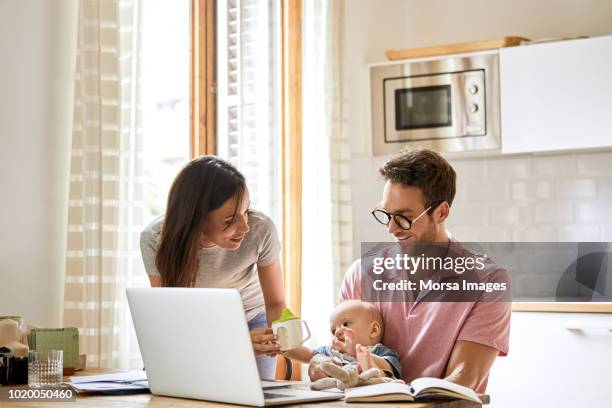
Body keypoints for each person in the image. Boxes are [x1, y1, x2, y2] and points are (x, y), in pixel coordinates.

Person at [310, 148, 510, 393]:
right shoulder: (361, 275)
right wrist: (322, 363)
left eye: (404, 217)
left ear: (441, 212)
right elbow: (341, 356)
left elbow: (463, 378)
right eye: (387, 215)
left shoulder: (487, 281)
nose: (392, 229)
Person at [140, 156, 284, 379]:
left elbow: (276, 303)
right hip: (195, 327)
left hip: (252, 320)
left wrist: (285, 337)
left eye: (246, 211)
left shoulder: (260, 230)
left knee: (257, 396)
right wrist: (236, 342)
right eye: (229, 220)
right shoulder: (156, 239)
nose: (244, 226)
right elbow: (171, 320)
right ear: (196, 218)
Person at [283, 300, 401, 379]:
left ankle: (370, 371)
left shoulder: (380, 352)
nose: (338, 332)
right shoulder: (331, 351)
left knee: (383, 376)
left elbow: (390, 368)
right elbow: (307, 354)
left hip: (374, 396)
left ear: (373, 330)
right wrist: (280, 345)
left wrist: (357, 352)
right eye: (333, 331)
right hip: (340, 398)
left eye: (345, 324)